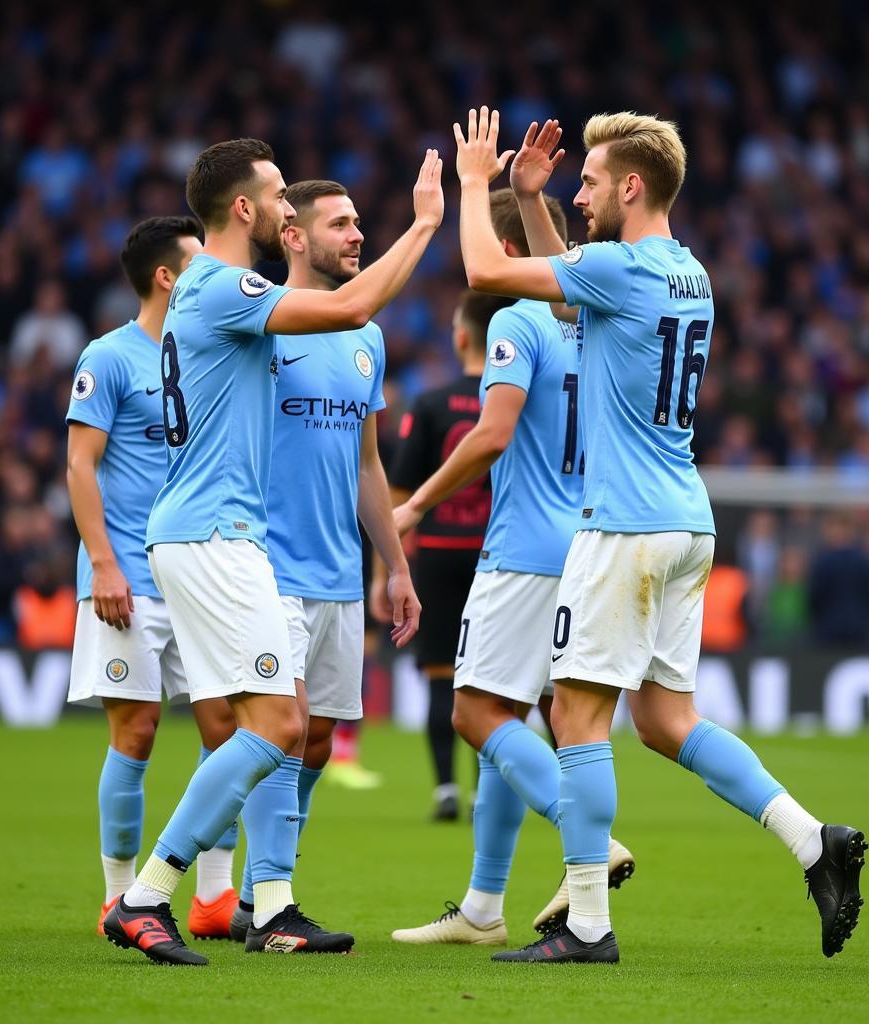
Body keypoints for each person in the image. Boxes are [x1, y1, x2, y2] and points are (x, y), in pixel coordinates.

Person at [452, 110, 866, 963]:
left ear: (631, 186)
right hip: (686, 520)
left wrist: (472, 184)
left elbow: (486, 268)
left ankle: (589, 928)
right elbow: (572, 289)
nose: (580, 192)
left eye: (592, 182)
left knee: (574, 715)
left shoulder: (619, 268)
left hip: (625, 528)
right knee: (669, 721)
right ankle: (812, 841)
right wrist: (532, 201)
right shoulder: (686, 273)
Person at [102, 138, 442, 966]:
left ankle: (225, 900)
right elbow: (349, 307)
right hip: (214, 534)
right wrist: (428, 222)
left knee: (278, 727)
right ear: (246, 209)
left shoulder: (218, 295)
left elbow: (350, 380)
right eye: (281, 194)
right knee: (273, 725)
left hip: (221, 534)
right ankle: (148, 896)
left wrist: (391, 562)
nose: (289, 207)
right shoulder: (221, 287)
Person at [390, 190, 634, 947]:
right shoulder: (591, 326)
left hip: (522, 549)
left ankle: (585, 840)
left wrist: (416, 506)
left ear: (502, 245)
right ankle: (483, 908)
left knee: (474, 713)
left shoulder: (516, 318)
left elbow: (493, 435)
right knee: (515, 716)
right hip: (587, 542)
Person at [227, 179, 420, 952]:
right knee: (286, 727)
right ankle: (274, 908)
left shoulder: (366, 339)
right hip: (265, 563)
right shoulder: (261, 324)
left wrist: (395, 566)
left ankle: (254, 892)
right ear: (295, 236)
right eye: (340, 223)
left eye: (360, 222)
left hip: (340, 569)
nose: (357, 234)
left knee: (319, 737)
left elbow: (368, 465)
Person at [65, 216, 242, 940]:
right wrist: (104, 562)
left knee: (227, 729)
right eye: (199, 262)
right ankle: (118, 895)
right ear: (167, 276)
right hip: (129, 575)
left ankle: (213, 898)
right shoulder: (108, 357)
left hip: (200, 568)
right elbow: (80, 466)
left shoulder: (209, 352)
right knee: (135, 730)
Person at [381, 291, 493, 820]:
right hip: (497, 554)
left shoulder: (429, 403)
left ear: (464, 336)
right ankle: (487, 793)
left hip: (439, 553)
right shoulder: (512, 400)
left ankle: (446, 790)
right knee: (494, 681)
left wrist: (386, 569)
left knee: (440, 676)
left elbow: (399, 494)